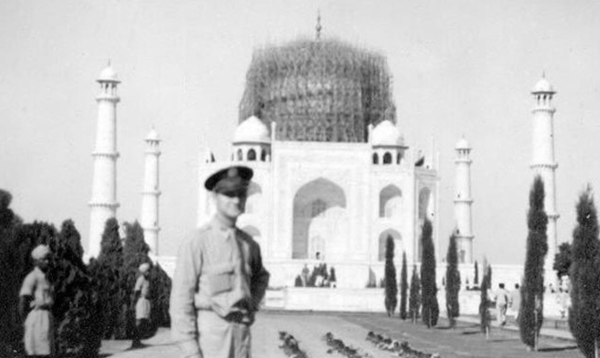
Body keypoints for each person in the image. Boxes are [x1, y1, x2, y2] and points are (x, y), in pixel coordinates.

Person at [170, 165, 270, 358]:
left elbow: (261, 277)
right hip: (209, 338)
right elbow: (181, 300)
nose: (236, 200)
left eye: (241, 194)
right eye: (229, 194)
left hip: (241, 336)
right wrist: (190, 350)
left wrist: (252, 304)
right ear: (214, 197)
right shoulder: (197, 242)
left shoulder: (249, 245)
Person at [19, 244, 55, 357]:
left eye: (49, 259)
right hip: (37, 318)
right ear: (36, 261)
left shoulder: (46, 278)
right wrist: (25, 321)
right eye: (44, 259)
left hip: (47, 317)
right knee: (38, 352)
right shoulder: (32, 277)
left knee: (47, 351)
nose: (47, 262)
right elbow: (23, 300)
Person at [131, 262, 152, 349]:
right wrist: (133, 303)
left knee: (143, 322)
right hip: (141, 301)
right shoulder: (141, 279)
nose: (149, 272)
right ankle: (135, 342)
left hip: (146, 301)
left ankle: (138, 341)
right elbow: (136, 291)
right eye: (147, 271)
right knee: (139, 321)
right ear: (144, 272)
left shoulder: (148, 280)